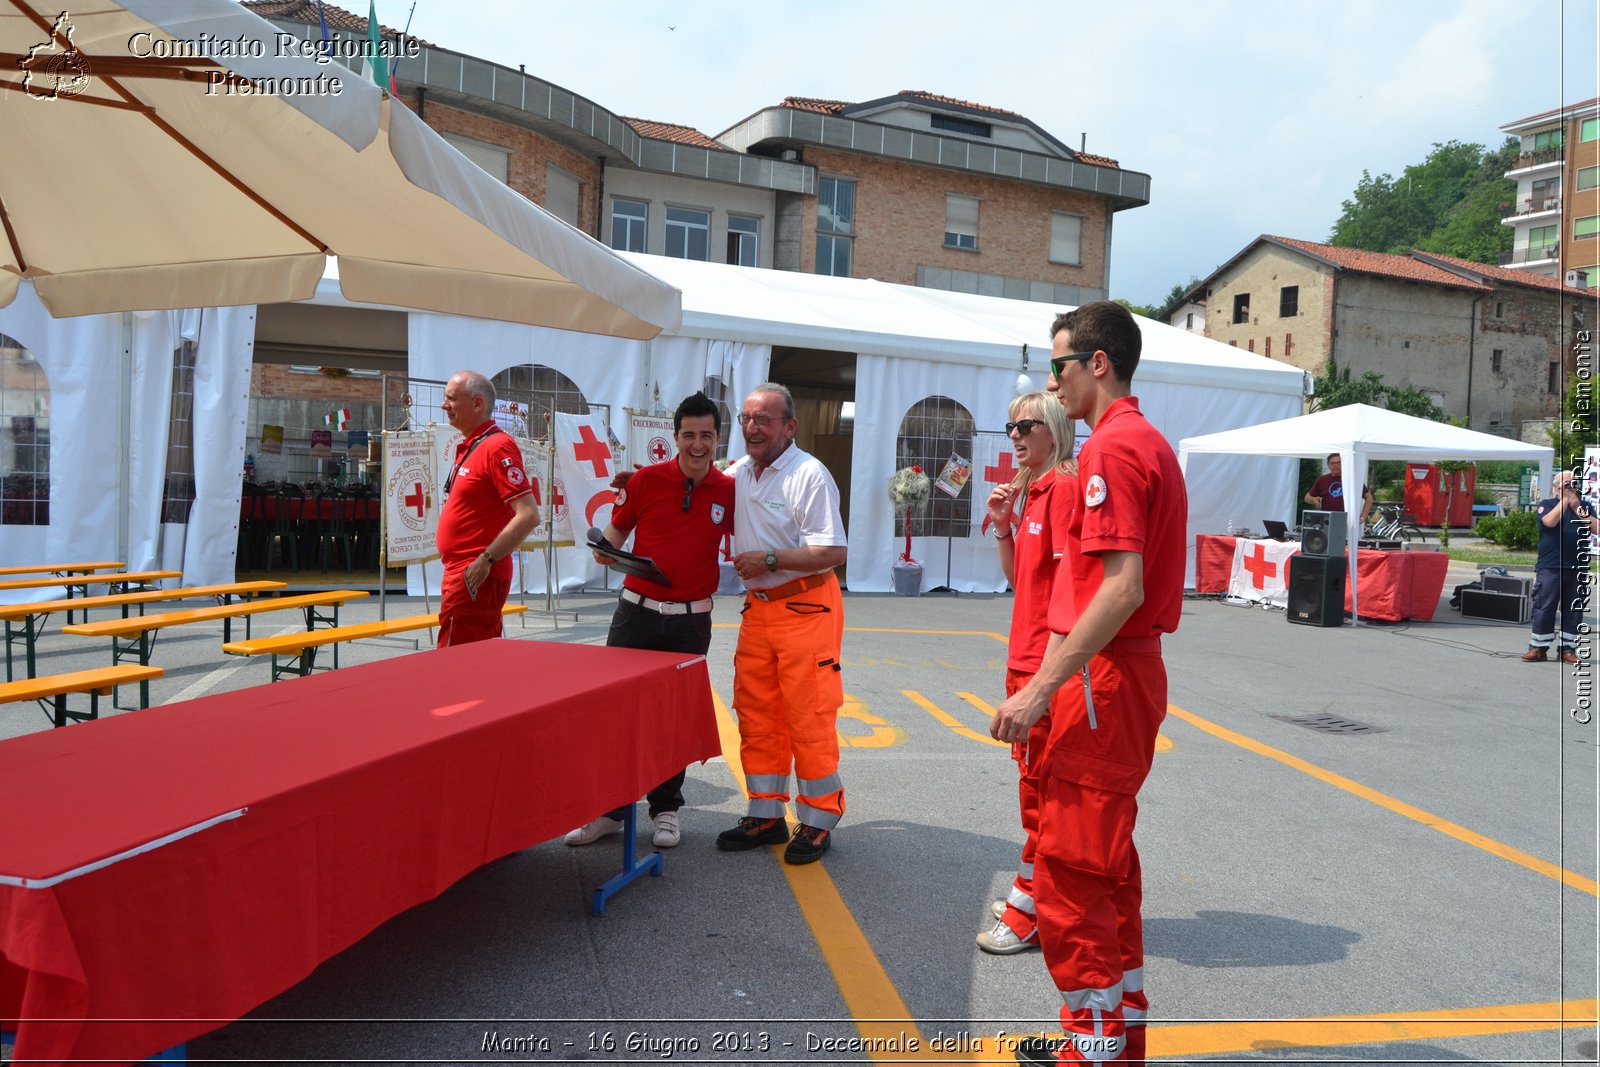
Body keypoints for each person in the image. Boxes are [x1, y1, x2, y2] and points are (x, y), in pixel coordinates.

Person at [991, 301, 1187, 1067]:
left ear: (1096, 363)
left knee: (1073, 873)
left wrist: (1041, 687)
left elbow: (1122, 587)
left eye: (1059, 365)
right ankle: (1113, 1035)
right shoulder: (1144, 441)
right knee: (1106, 869)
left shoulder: (1110, 449)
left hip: (1103, 678)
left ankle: (1092, 1048)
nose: (1053, 383)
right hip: (1121, 674)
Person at [563, 392, 735, 849]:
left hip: (690, 622)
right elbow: (615, 536)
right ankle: (610, 810)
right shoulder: (646, 481)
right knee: (616, 714)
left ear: (718, 439)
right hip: (635, 613)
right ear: (674, 437)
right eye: (688, 435)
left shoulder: (729, 490)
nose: (697, 445)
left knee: (672, 718)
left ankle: (666, 809)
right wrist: (606, 550)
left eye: (706, 435)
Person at [716, 383, 849, 865]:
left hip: (807, 607)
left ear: (789, 427)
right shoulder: (740, 472)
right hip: (761, 610)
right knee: (757, 712)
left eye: (764, 420)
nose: (752, 428)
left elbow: (833, 551)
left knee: (809, 715)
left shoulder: (809, 475)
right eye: (747, 419)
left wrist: (770, 557)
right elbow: (696, 481)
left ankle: (817, 819)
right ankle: (766, 813)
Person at [977, 392, 1077, 957]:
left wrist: (1045, 677)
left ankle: (1031, 906)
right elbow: (1024, 582)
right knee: (1032, 785)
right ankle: (1035, 891)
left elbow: (1071, 594)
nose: (1014, 434)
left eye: (1025, 425)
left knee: (1043, 791)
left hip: (1043, 667)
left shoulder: (1062, 489)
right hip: (1024, 660)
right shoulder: (1033, 489)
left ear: (1054, 428)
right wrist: (1002, 526)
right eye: (1010, 424)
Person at [435, 371, 539, 647]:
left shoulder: (496, 447)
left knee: (455, 665)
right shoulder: (475, 446)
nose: (444, 405)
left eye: (451, 399)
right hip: (466, 573)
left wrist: (485, 560)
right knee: (474, 661)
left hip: (473, 574)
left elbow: (528, 515)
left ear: (478, 404)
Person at [1522, 470, 1598, 665]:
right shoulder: (1547, 505)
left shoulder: (1584, 506)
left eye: (1573, 484)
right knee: (1544, 607)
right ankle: (1538, 647)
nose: (1570, 487)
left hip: (1577, 567)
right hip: (1551, 566)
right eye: (1566, 484)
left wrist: (1575, 505)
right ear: (1556, 487)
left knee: (1573, 610)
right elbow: (1549, 522)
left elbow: (1596, 528)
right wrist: (1565, 501)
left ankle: (1568, 650)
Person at [1304, 452, 1372, 523]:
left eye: (1339, 463)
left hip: (1348, 521)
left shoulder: (1352, 479)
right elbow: (1307, 498)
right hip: (1328, 520)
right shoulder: (1322, 480)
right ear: (1328, 465)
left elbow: (1369, 498)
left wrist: (1363, 517)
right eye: (1333, 463)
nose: (1336, 465)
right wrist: (1314, 500)